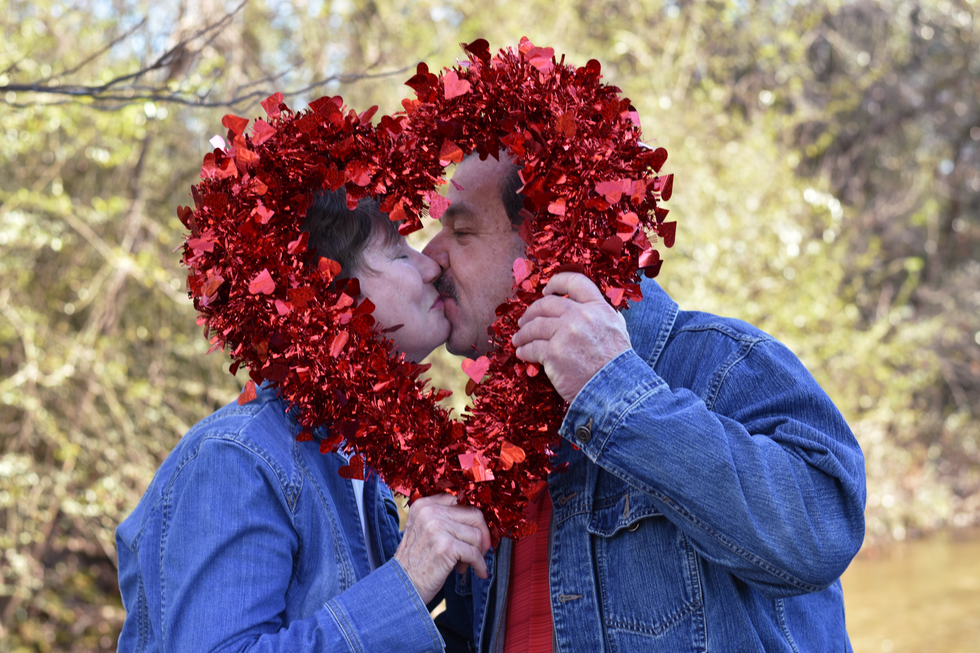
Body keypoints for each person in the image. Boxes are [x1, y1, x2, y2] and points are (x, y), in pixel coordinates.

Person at [425, 153, 867, 652]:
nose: (429, 256)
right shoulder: (489, 448)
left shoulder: (722, 362)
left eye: (461, 232)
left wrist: (613, 391)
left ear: (550, 242)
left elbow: (823, 533)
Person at [116, 189, 491, 652]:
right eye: (399, 253)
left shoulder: (355, 465)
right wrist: (406, 583)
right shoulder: (236, 459)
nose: (430, 267)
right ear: (330, 294)